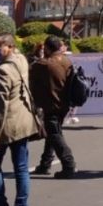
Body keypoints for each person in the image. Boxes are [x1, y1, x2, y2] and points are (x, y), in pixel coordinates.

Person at [0, 33, 37, 206]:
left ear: (10, 46)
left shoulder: (2, 71)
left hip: (7, 126)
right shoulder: (21, 60)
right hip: (23, 121)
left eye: (0, 46)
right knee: (21, 168)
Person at [29, 36, 77, 179]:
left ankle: (69, 164)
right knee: (52, 133)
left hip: (51, 105)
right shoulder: (66, 61)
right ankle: (45, 164)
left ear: (48, 48)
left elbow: (30, 72)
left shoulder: (43, 64)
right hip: (63, 104)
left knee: (55, 134)